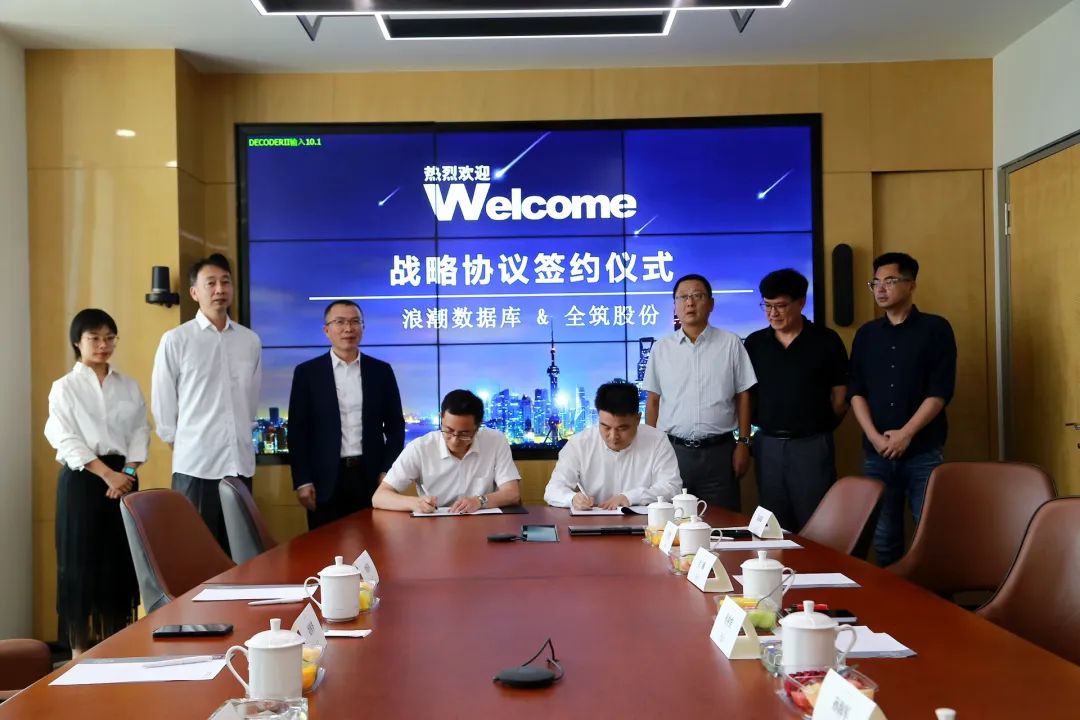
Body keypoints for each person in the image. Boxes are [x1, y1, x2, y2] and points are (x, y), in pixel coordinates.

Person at [44, 309, 148, 656]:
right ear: (78, 342)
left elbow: (140, 431)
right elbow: (65, 438)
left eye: (109, 338)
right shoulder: (64, 387)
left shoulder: (128, 385)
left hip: (124, 480)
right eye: (94, 338)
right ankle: (78, 653)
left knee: (119, 563)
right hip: (83, 480)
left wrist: (127, 475)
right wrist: (107, 474)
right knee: (80, 566)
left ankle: (118, 646)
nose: (103, 345)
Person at [848, 252, 956, 567]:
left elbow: (940, 391)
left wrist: (906, 434)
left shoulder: (936, 329)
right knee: (884, 538)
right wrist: (875, 438)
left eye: (890, 281)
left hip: (923, 449)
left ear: (911, 285)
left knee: (929, 534)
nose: (881, 289)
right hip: (877, 453)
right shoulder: (867, 334)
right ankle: (889, 597)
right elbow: (856, 391)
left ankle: (932, 598)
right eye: (875, 283)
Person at [151, 253, 262, 553]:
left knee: (241, 554)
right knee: (197, 554)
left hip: (239, 465)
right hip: (196, 467)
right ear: (194, 292)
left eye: (225, 282)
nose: (219, 289)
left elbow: (250, 402)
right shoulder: (176, 340)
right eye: (210, 283)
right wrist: (184, 443)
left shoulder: (250, 341)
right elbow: (163, 403)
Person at [744, 269, 849, 532]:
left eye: (780, 306)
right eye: (767, 306)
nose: (773, 313)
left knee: (816, 522)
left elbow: (840, 397)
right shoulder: (755, 344)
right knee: (773, 524)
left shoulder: (826, 341)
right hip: (768, 445)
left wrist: (819, 428)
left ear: (801, 303)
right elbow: (746, 396)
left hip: (811, 444)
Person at [643, 273, 757, 511]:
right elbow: (653, 401)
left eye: (697, 296)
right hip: (673, 453)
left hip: (720, 453)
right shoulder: (661, 349)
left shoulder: (730, 343)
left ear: (711, 304)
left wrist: (744, 443)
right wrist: (650, 451)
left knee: (722, 522)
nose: (690, 303)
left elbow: (743, 395)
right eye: (683, 297)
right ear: (675, 305)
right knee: (672, 522)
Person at [288, 300, 406, 529]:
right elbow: (297, 432)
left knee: (374, 543)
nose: (348, 329)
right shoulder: (307, 373)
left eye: (354, 322)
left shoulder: (380, 371)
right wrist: (302, 481)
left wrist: (388, 471)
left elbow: (395, 426)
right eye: (340, 322)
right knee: (326, 546)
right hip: (325, 480)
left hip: (371, 477)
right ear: (327, 330)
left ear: (363, 327)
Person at [373, 390, 521, 513]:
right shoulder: (420, 448)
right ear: (441, 418)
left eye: (464, 434)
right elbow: (379, 497)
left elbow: (512, 494)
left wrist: (479, 501)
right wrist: (415, 503)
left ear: (478, 427)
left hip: (483, 523)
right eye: (448, 431)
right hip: (434, 525)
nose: (454, 440)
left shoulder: (495, 441)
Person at [544, 382, 681, 509]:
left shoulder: (657, 441)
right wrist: (573, 498)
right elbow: (553, 490)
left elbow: (672, 487)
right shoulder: (579, 444)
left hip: (645, 523)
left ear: (637, 419)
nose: (613, 436)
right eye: (606, 427)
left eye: (622, 428)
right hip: (593, 522)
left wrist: (631, 497)